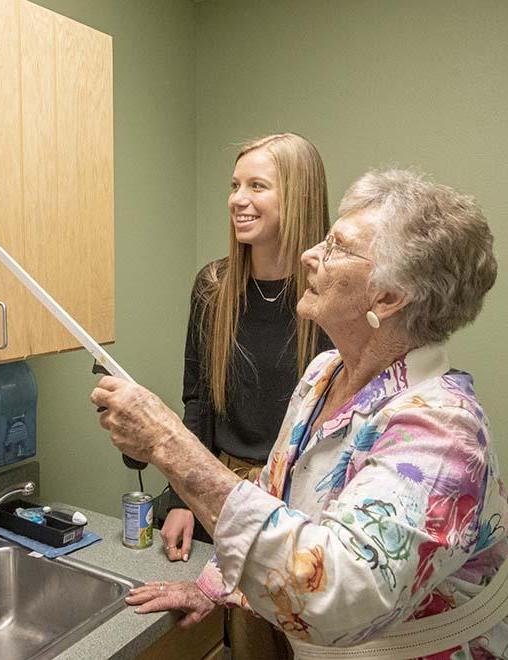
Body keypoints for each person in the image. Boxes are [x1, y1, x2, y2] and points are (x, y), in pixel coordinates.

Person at [91, 169, 506, 659]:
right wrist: (211, 588)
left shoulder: (443, 432)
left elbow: (334, 597)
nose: (310, 254)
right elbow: (273, 499)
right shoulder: (324, 373)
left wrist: (167, 443)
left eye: (336, 246)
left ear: (389, 298)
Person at [161, 132, 329, 658]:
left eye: (258, 185)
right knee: (245, 646)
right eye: (235, 185)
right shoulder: (213, 286)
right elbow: (197, 402)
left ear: (297, 197)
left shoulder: (329, 293)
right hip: (222, 492)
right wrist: (183, 498)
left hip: (306, 506)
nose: (238, 198)